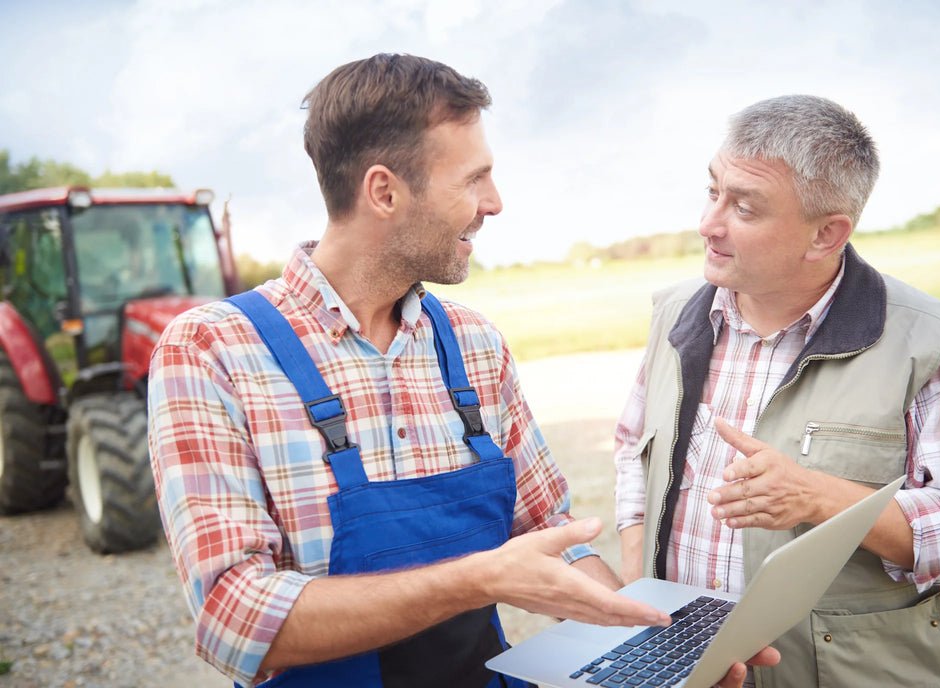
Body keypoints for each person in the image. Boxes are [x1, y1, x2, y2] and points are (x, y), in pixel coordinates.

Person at [148, 54, 775, 688]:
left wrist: (651, 639)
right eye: (474, 179)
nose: (495, 204)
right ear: (384, 191)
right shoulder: (212, 350)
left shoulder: (473, 343)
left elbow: (549, 531)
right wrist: (476, 579)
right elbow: (232, 617)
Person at [614, 94, 940, 687]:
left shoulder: (929, 342)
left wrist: (821, 498)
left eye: (745, 208)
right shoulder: (674, 315)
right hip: (684, 671)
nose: (709, 224)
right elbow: (633, 449)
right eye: (713, 192)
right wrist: (639, 593)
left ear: (825, 234)